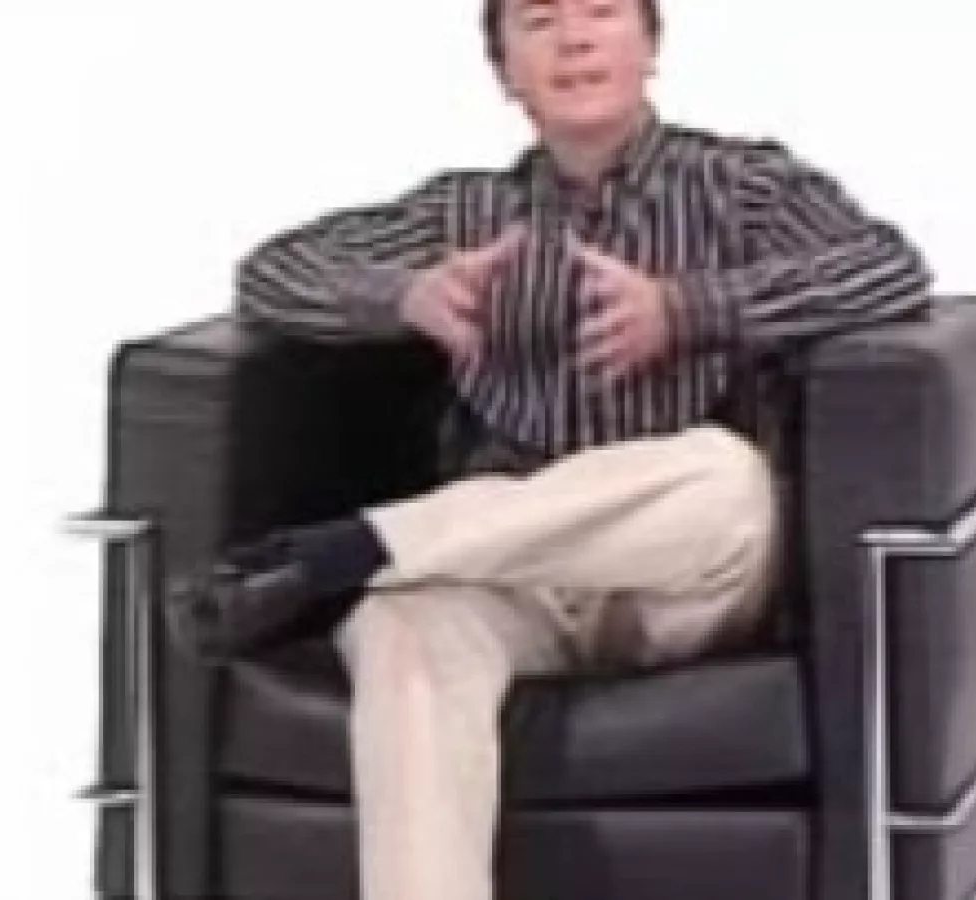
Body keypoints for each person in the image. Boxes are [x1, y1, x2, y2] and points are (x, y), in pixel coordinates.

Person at [163, 1, 934, 899]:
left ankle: (358, 549)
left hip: (678, 579)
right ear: (505, 74)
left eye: (602, 11)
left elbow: (888, 267)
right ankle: (385, 561)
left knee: (727, 476)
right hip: (509, 581)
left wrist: (687, 308)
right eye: (538, 21)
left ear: (650, 45)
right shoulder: (467, 210)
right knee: (404, 628)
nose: (574, 39)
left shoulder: (744, 186)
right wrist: (402, 296)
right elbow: (272, 269)